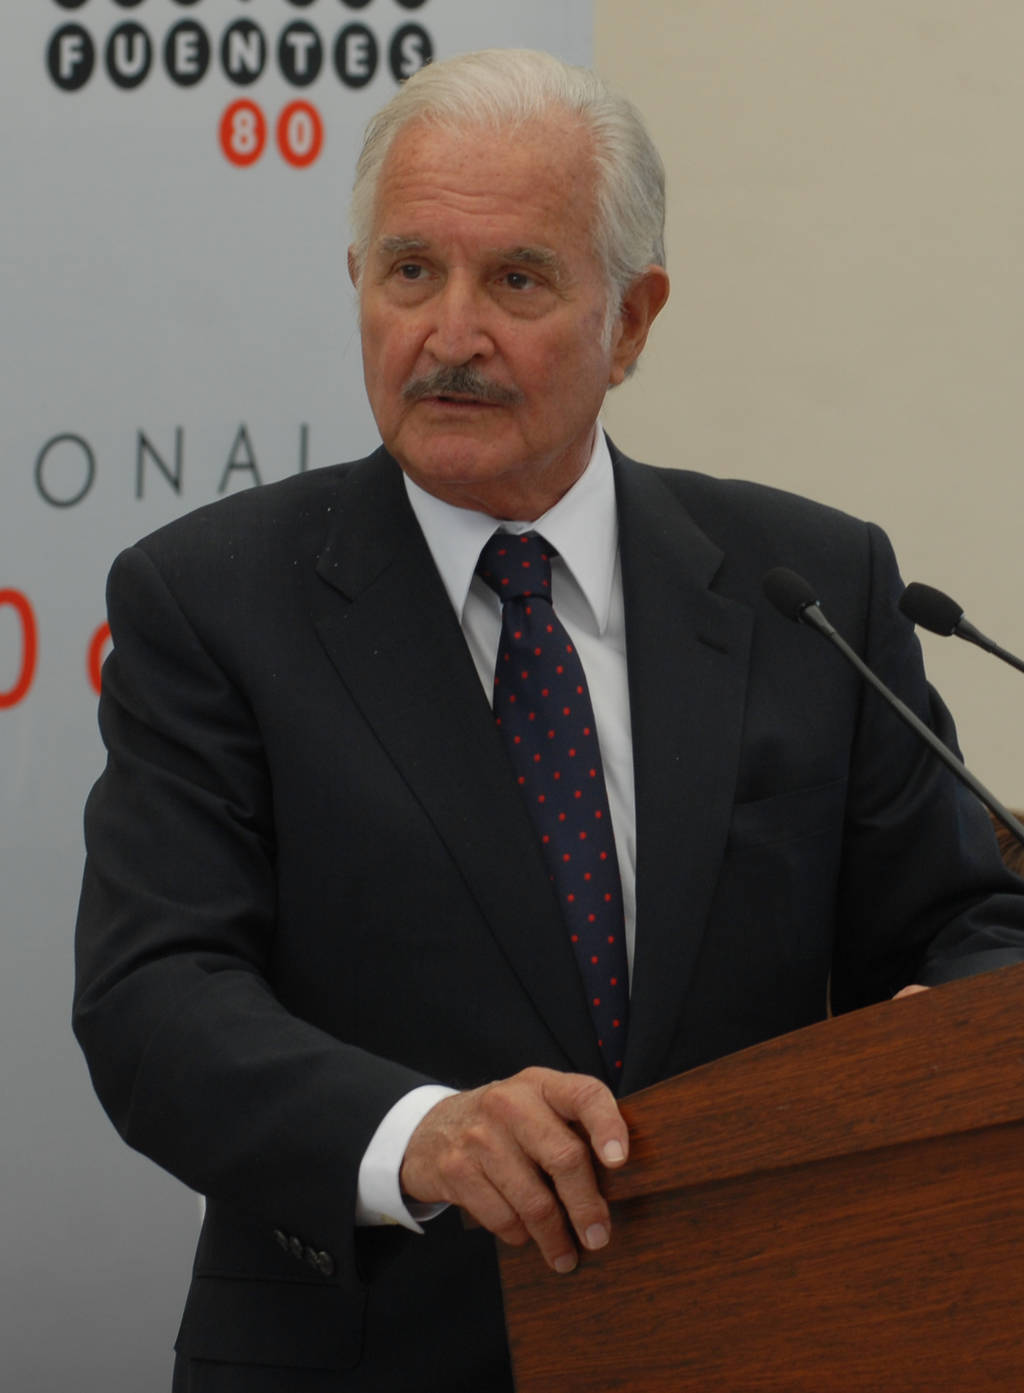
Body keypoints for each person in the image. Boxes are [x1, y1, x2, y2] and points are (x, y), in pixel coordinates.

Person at [73, 48, 1024, 1393]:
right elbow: (156, 997)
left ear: (631, 320)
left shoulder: (807, 586)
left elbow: (968, 918)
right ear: (359, 284)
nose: (450, 333)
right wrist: (419, 1133)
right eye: (411, 271)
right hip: (367, 1353)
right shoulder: (212, 600)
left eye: (517, 280)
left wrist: (951, 1037)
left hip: (766, 1336)